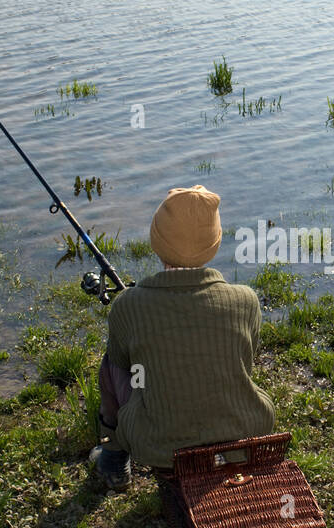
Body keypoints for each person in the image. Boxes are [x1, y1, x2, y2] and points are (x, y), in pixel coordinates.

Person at [89, 185, 276, 489]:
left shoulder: (127, 305)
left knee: (111, 363)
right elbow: (247, 357)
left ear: (156, 241)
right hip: (247, 427)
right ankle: (225, 455)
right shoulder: (246, 299)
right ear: (214, 244)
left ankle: (112, 456)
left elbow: (123, 362)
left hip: (159, 444)